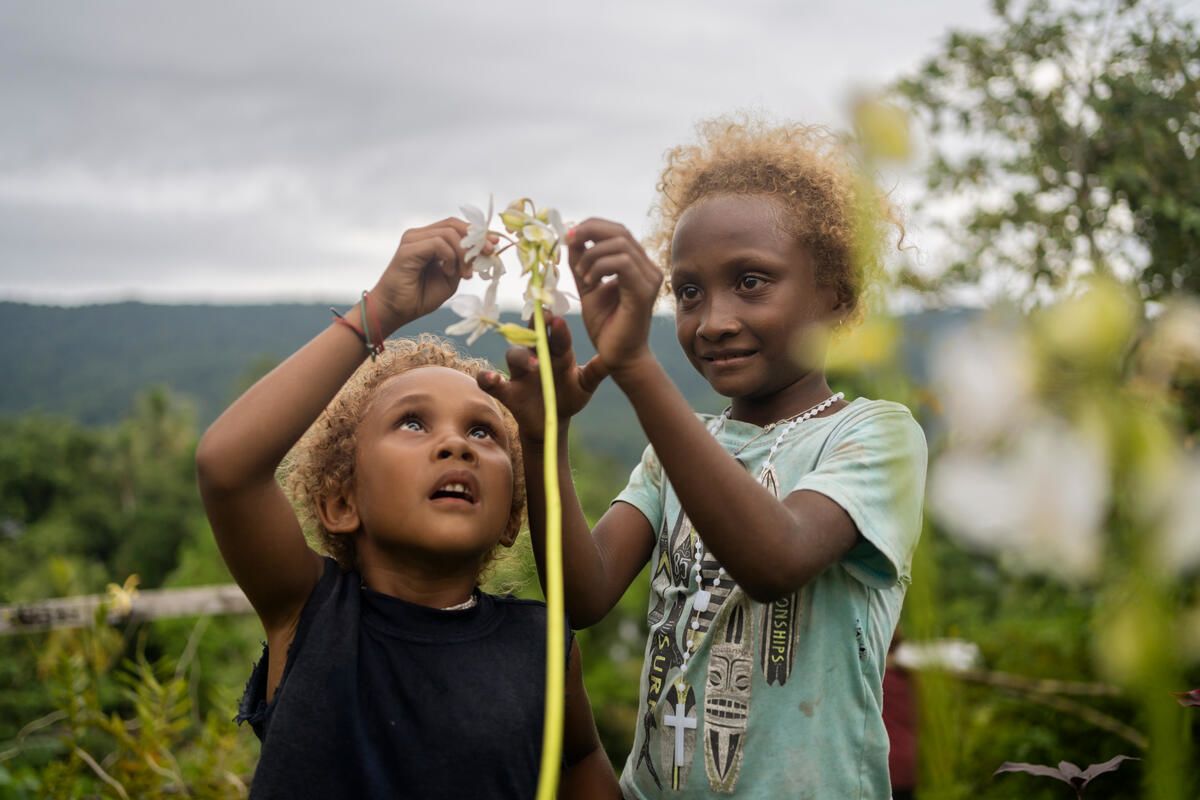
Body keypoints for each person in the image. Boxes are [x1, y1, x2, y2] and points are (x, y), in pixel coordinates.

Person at [481, 116, 928, 798]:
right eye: (688, 292)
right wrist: (548, 437)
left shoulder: (874, 435)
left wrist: (636, 368)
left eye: (751, 282)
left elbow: (776, 560)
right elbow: (584, 593)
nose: (713, 320)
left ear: (835, 292)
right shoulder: (678, 449)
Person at [195, 218, 618, 799]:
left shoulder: (542, 644)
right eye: (413, 423)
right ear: (342, 502)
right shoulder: (310, 612)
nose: (456, 445)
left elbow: (582, 757)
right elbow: (226, 469)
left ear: (511, 518)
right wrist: (380, 312)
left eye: (484, 431)